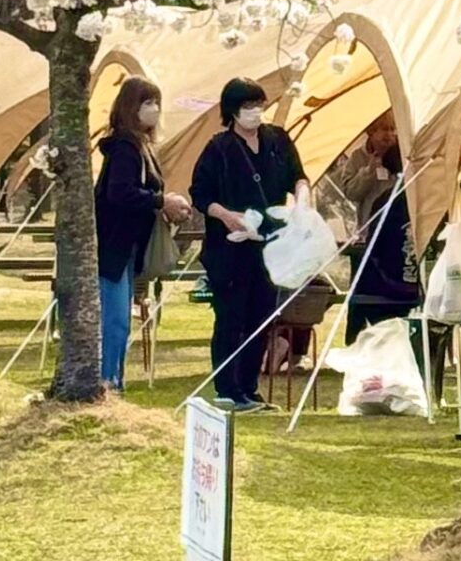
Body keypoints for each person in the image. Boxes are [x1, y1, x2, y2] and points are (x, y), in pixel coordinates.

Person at [189, 77, 309, 412]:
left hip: (269, 242)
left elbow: (298, 175)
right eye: (247, 107)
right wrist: (226, 215)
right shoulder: (219, 148)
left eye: (259, 105)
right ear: (233, 111)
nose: (255, 113)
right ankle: (227, 388)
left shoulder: (277, 140)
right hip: (230, 244)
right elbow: (200, 194)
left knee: (262, 314)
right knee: (231, 316)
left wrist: (302, 197)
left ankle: (249, 386)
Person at [95, 77, 191, 391]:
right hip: (115, 244)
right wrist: (161, 200)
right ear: (130, 108)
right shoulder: (125, 147)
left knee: (121, 316)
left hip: (129, 246)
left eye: (156, 103)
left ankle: (114, 377)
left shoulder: (142, 147)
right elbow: (119, 192)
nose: (154, 109)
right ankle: (109, 379)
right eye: (147, 103)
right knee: (115, 319)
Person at [345, 113, 419, 340]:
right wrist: (368, 171)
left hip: (399, 235)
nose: (389, 135)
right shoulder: (358, 158)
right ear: (371, 132)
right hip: (368, 234)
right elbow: (352, 192)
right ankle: (356, 335)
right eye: (383, 130)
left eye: (392, 129)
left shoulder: (404, 154)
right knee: (362, 290)